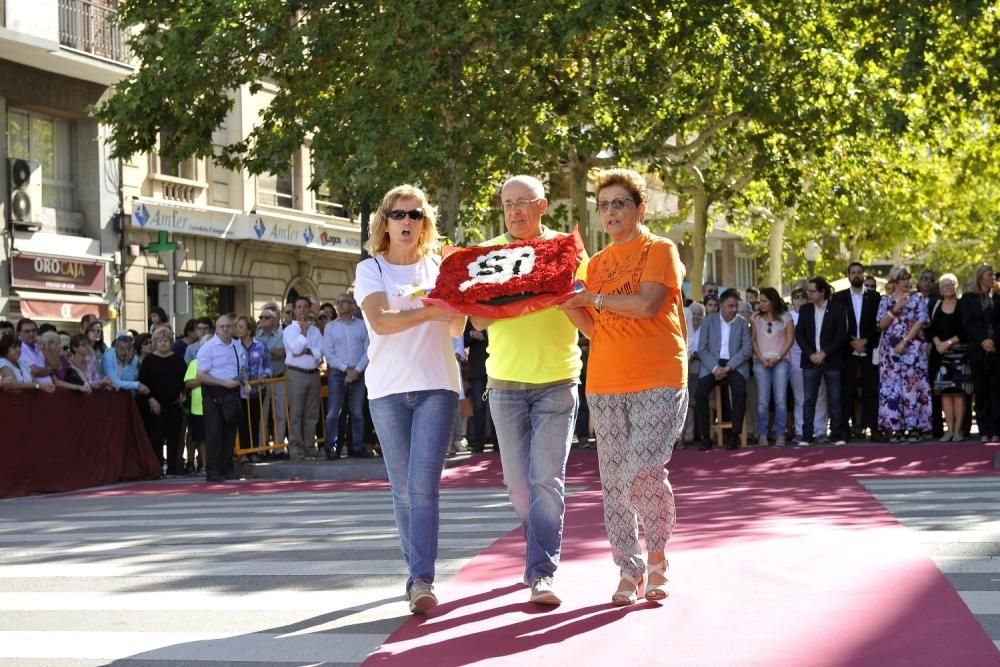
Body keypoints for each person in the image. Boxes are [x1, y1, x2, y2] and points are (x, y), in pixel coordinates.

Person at [559, 167, 687, 605]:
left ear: (640, 208)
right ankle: (627, 569)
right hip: (607, 381)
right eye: (604, 205)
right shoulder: (594, 264)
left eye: (620, 203)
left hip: (659, 375)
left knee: (644, 470)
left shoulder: (660, 249)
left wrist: (591, 298)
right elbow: (595, 329)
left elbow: (648, 304)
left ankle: (657, 559)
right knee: (614, 481)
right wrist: (563, 301)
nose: (611, 212)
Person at [469, 174, 589, 606]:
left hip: (558, 380)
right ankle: (537, 542)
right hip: (503, 384)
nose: (515, 210)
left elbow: (587, 311)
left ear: (543, 205)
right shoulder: (488, 254)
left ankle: (542, 571)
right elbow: (478, 322)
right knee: (519, 486)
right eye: (507, 204)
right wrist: (509, 291)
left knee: (546, 480)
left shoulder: (567, 250)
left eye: (523, 202)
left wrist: (559, 294)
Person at [354, 184, 464, 614]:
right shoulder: (371, 270)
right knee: (403, 490)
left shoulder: (442, 268)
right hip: (386, 390)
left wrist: (459, 300)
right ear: (384, 222)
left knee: (423, 486)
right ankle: (416, 572)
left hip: (437, 385)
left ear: (425, 224)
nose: (406, 222)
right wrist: (431, 311)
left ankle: (421, 580)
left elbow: (456, 326)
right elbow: (380, 322)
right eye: (399, 215)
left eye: (415, 215)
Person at [877, 267, 932, 442]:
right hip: (890, 354)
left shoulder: (918, 298)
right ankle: (896, 427)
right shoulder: (886, 300)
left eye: (908, 278)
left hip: (913, 350)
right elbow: (881, 324)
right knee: (893, 389)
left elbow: (922, 321)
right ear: (894, 281)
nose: (906, 282)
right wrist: (895, 308)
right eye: (902, 279)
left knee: (913, 387)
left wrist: (905, 342)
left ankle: (915, 427)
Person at [694, 289, 752, 451]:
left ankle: (734, 435)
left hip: (735, 365)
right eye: (730, 306)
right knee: (700, 393)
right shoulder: (708, 321)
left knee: (740, 392)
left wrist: (728, 367)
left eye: (735, 306)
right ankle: (705, 437)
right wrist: (715, 368)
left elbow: (746, 350)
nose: (733, 309)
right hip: (712, 365)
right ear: (721, 306)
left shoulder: (742, 323)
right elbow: (702, 349)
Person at [795, 276, 849, 446]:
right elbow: (800, 334)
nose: (809, 294)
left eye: (812, 291)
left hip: (831, 360)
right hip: (810, 361)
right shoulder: (805, 310)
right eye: (808, 291)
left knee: (834, 399)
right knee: (809, 399)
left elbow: (841, 335)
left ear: (822, 292)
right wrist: (811, 354)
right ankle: (807, 435)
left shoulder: (838, 309)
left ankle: (836, 435)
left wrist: (824, 353)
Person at [832, 262, 881, 439]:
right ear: (848, 276)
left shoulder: (875, 297)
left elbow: (879, 324)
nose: (857, 275)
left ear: (864, 274)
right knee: (847, 392)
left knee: (871, 391)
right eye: (853, 273)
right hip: (847, 351)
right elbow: (836, 326)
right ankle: (844, 430)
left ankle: (874, 428)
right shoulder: (839, 298)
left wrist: (865, 341)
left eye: (860, 272)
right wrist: (850, 342)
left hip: (869, 350)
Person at [196, 314, 247, 482]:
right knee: (214, 432)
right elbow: (200, 375)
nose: (225, 329)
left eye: (228, 326)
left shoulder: (237, 346)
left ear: (232, 328)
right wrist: (223, 383)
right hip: (213, 391)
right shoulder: (208, 347)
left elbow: (243, 369)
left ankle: (227, 468)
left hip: (232, 391)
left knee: (230, 432)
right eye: (222, 326)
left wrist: (245, 383)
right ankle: (213, 471)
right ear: (216, 329)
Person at [322, 294, 370, 459]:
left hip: (358, 373)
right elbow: (328, 353)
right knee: (333, 412)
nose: (340, 305)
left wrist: (356, 370)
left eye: (343, 302)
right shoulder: (331, 327)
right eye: (338, 302)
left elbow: (368, 350)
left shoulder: (362, 326)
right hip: (337, 373)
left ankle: (357, 447)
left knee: (357, 412)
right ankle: (331, 447)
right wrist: (346, 369)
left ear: (352, 305)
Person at [928, 273, 971, 441]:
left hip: (959, 354)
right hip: (940, 355)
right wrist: (939, 343)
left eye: (951, 284)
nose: (947, 288)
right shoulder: (935, 305)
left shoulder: (962, 305)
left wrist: (948, 343)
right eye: (944, 285)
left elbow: (965, 330)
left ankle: (959, 430)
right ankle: (950, 430)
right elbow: (929, 328)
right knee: (945, 393)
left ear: (956, 286)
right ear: (939, 289)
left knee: (959, 393)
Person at [960, 264, 1000, 441]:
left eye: (993, 275)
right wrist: (983, 340)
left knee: (996, 390)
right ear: (980, 278)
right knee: (981, 391)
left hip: (996, 349)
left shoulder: (998, 297)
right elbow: (967, 323)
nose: (993, 278)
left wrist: (994, 340)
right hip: (977, 350)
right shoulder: (968, 299)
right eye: (990, 275)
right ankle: (984, 430)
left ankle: (996, 431)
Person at [139, 328, 188, 474]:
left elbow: (185, 380)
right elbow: (142, 383)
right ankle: (157, 467)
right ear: (155, 343)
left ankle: (173, 468)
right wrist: (150, 399)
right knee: (156, 437)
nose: (163, 343)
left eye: (166, 340)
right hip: (155, 404)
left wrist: (183, 392)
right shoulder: (149, 360)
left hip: (174, 404)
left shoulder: (178, 359)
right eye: (159, 341)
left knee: (175, 437)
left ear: (171, 342)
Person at [750, 287, 794, 447]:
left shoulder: (786, 317)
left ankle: (780, 434)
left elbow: (790, 340)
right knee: (762, 400)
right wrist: (761, 358)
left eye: (764, 301)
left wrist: (777, 357)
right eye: (760, 301)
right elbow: (753, 340)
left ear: (773, 301)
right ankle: (763, 434)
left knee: (781, 400)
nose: (761, 304)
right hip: (761, 361)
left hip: (781, 361)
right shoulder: (755, 317)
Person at [283, 296, 323, 460]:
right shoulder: (289, 330)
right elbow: (296, 349)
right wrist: (304, 333)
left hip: (313, 374)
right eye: (299, 307)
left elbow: (321, 351)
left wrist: (310, 350)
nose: (302, 310)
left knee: (312, 414)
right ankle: (294, 448)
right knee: (296, 413)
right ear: (294, 311)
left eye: (305, 307)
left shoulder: (315, 330)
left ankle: (309, 447)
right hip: (296, 374)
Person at [235, 314, 273, 459]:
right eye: (237, 327)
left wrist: (265, 375)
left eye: (241, 327)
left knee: (255, 421)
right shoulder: (234, 346)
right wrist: (243, 381)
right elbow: (234, 368)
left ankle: (254, 452)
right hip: (241, 391)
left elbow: (268, 364)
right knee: (243, 421)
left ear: (249, 330)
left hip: (258, 390)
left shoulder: (260, 345)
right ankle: (244, 452)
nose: (237, 330)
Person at [255, 307, 287, 452]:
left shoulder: (282, 335)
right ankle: (262, 448)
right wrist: (269, 353)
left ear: (275, 321)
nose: (262, 320)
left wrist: (264, 352)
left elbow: (280, 353)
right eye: (261, 317)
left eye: (266, 317)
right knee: (262, 416)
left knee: (279, 414)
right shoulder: (256, 336)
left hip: (279, 378)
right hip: (261, 380)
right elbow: (256, 356)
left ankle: (279, 448)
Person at [682, 301, 706, 446]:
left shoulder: (705, 329)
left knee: (696, 402)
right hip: (688, 367)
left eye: (700, 314)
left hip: (701, 369)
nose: (696, 317)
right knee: (688, 402)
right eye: (694, 314)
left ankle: (696, 432)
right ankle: (687, 433)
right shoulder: (685, 328)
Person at [16, 318, 51, 386]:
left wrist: (43, 348)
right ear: (19, 333)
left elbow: (53, 365)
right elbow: (34, 371)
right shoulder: (19, 350)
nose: (31, 333)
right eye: (27, 331)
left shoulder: (40, 346)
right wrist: (50, 371)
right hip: (35, 391)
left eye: (34, 330)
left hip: (50, 390)